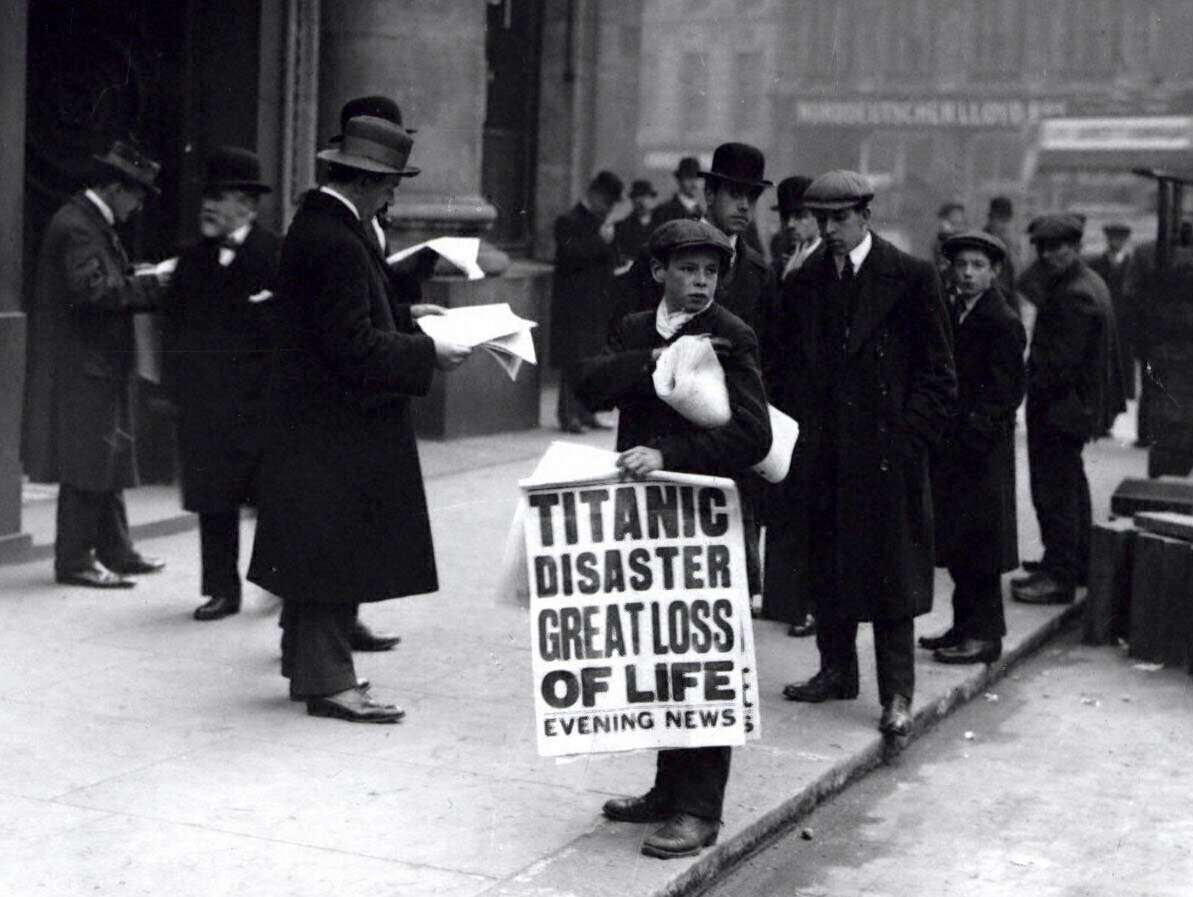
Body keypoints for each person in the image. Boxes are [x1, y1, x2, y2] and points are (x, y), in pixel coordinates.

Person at [247, 115, 472, 722]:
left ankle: (307, 666)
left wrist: (405, 315)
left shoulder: (321, 225)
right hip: (336, 425)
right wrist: (429, 351)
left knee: (315, 549)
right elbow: (353, 346)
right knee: (333, 552)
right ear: (368, 182)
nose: (391, 196)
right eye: (390, 184)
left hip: (312, 421)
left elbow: (340, 319)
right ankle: (330, 682)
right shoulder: (340, 240)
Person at [576, 218, 771, 860]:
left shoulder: (731, 335)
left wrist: (667, 453)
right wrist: (653, 362)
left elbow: (754, 435)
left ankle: (699, 808)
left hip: (708, 520)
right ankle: (667, 790)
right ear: (659, 271)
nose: (700, 282)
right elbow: (588, 384)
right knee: (659, 649)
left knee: (704, 659)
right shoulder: (637, 328)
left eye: (711, 272)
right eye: (688, 270)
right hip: (648, 520)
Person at [768, 170, 955, 737]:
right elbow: (788, 370)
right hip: (826, 454)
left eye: (840, 219)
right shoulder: (805, 282)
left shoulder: (911, 277)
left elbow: (939, 375)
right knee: (827, 566)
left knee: (892, 579)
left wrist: (907, 442)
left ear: (866, 217)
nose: (829, 230)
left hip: (886, 456)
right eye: (821, 219)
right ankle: (837, 671)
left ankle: (897, 693)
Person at [22, 140, 170, 588]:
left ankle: (115, 551)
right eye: (136, 196)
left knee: (107, 456)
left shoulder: (86, 222)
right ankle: (76, 560)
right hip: (85, 365)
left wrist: (141, 276)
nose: (138, 207)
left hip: (95, 363)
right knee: (88, 462)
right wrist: (155, 283)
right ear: (114, 188)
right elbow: (95, 292)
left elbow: (102, 282)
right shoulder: (79, 227)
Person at [163, 146, 278, 621]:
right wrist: (175, 394)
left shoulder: (276, 254)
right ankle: (221, 590)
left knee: (273, 499)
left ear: (247, 205)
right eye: (206, 196)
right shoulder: (191, 260)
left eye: (220, 197)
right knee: (214, 500)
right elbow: (173, 334)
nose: (207, 206)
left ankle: (280, 582)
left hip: (260, 406)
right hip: (206, 405)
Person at [920, 231, 1025, 665]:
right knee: (960, 546)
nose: (967, 273)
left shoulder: (1002, 321)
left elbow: (1005, 394)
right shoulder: (956, 311)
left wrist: (971, 436)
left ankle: (986, 636)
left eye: (978, 266)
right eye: (961, 265)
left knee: (981, 548)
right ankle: (963, 626)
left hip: (981, 454)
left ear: (994, 272)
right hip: (956, 450)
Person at [1012, 215, 1125, 605]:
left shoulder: (1073, 294)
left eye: (1057, 247)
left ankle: (1058, 576)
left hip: (1061, 408)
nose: (1047, 255)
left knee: (1054, 490)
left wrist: (1026, 384)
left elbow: (1059, 364)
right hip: (1075, 407)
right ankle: (1073, 563)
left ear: (1076, 246)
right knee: (1070, 484)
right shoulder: (1084, 280)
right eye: (1042, 247)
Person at [760, 173, 819, 638]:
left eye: (800, 216)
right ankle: (783, 599)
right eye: (787, 217)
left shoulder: (819, 265)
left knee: (808, 503)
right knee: (782, 496)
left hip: (811, 400)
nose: (792, 225)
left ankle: (810, 605)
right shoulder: (789, 258)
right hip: (783, 398)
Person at [550, 170, 624, 433]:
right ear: (594, 195)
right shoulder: (567, 221)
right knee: (574, 361)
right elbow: (571, 255)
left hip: (597, 303)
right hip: (574, 305)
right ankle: (568, 414)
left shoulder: (600, 223)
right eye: (607, 201)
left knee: (593, 360)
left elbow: (609, 259)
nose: (609, 208)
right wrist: (601, 241)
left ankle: (588, 412)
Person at [1088, 222, 1136, 400]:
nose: (1115, 242)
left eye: (1119, 239)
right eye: (1112, 238)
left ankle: (1125, 393)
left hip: (1125, 320)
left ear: (1125, 240)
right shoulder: (1096, 265)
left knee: (1125, 356)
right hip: (1103, 317)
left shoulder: (1133, 265)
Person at [769, 175, 819, 284]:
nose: (790, 224)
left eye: (799, 216)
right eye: (785, 216)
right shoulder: (772, 269)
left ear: (818, 216)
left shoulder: (831, 263)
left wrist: (791, 277)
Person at [983, 196, 1020, 308]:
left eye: (1007, 221)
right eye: (1000, 220)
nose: (1004, 226)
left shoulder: (1007, 244)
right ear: (990, 220)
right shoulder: (982, 244)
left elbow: (1012, 283)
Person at [651, 156, 703, 226]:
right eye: (689, 178)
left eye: (697, 178)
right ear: (679, 180)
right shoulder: (664, 211)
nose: (694, 184)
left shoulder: (703, 212)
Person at [614, 179, 658, 263]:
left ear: (652, 199)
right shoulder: (622, 227)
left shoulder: (662, 225)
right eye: (637, 197)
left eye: (645, 196)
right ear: (632, 200)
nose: (641, 202)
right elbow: (621, 255)